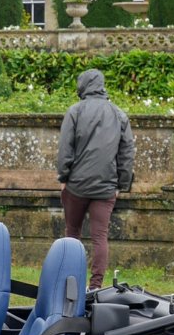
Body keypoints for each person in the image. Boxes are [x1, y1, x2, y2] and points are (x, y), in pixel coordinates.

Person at [56, 68, 135, 290]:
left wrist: (63, 176)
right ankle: (95, 285)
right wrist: (122, 184)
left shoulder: (75, 111)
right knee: (100, 236)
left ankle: (69, 282)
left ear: (82, 86)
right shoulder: (119, 114)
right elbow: (127, 152)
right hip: (106, 186)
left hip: (76, 185)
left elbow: (65, 148)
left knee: (72, 234)